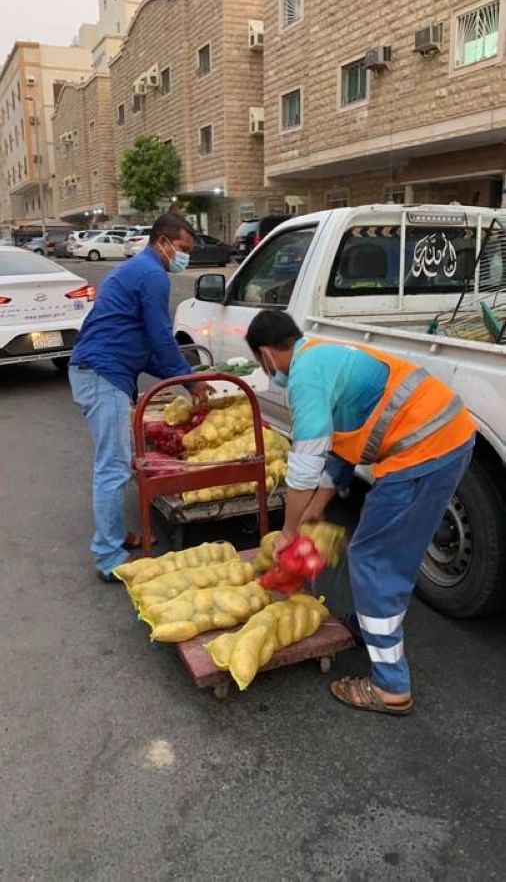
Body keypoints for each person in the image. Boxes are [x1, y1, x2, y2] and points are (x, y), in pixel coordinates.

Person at [245, 309, 476, 716]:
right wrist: (315, 512)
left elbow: (305, 465)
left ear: (265, 355)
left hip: (421, 453)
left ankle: (389, 687)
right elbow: (339, 453)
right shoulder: (323, 354)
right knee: (393, 553)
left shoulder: (304, 376)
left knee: (372, 557)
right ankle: (373, 620)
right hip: (446, 436)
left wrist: (289, 531)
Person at [69, 214, 211, 582]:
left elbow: (147, 348)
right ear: (162, 242)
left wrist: (183, 377)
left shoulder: (138, 270)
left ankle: (114, 537)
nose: (184, 258)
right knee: (113, 467)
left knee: (116, 463)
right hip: (103, 373)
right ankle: (108, 558)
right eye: (182, 249)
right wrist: (190, 382)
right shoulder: (150, 274)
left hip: (102, 370)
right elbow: (162, 337)